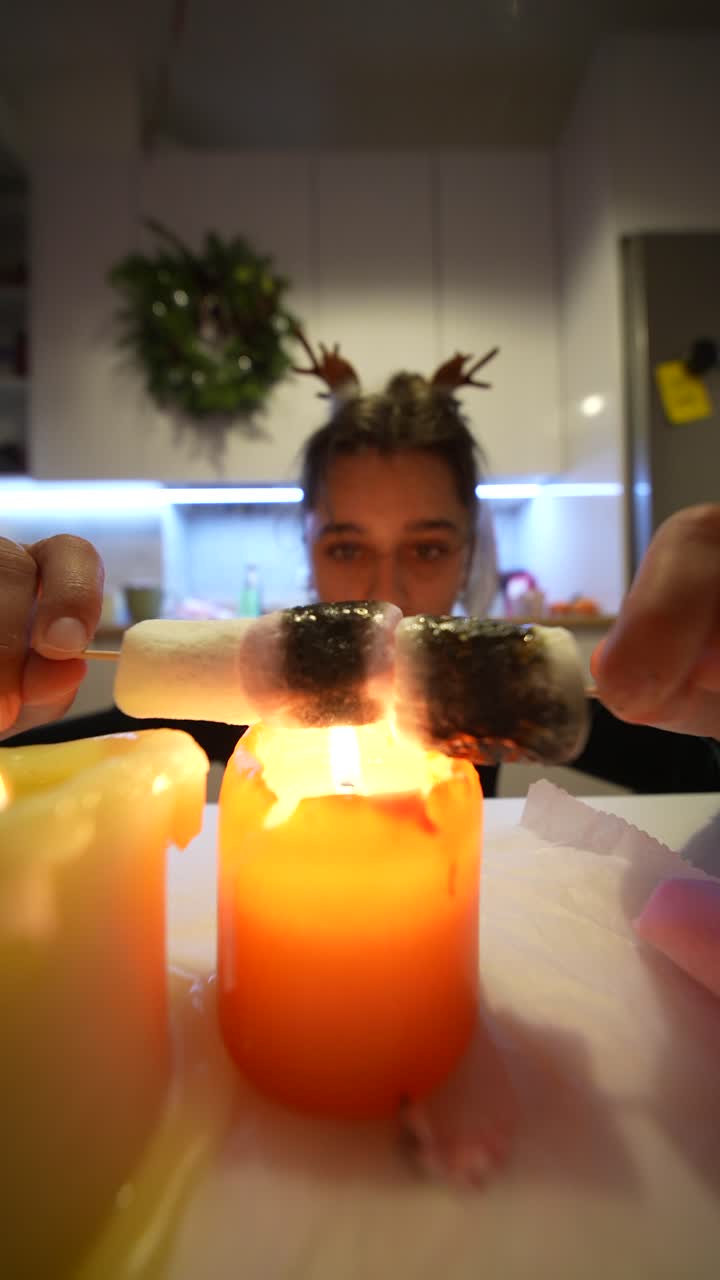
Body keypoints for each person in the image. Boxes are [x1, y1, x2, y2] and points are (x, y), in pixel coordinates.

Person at [2, 338, 720, 799]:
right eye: (348, 548)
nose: (386, 596)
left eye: (428, 548)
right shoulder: (219, 711)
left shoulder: (547, 703)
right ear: (308, 546)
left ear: (470, 549)